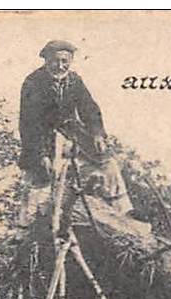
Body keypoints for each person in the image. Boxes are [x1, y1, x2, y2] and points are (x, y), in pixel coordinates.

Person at [17, 39, 126, 217]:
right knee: (39, 181)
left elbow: (89, 109)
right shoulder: (33, 82)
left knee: (107, 163)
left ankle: (121, 212)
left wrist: (97, 134)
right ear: (46, 60)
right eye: (55, 61)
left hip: (71, 133)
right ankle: (26, 227)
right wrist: (41, 153)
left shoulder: (74, 80)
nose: (60, 66)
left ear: (70, 61)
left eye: (65, 61)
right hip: (42, 138)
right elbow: (29, 124)